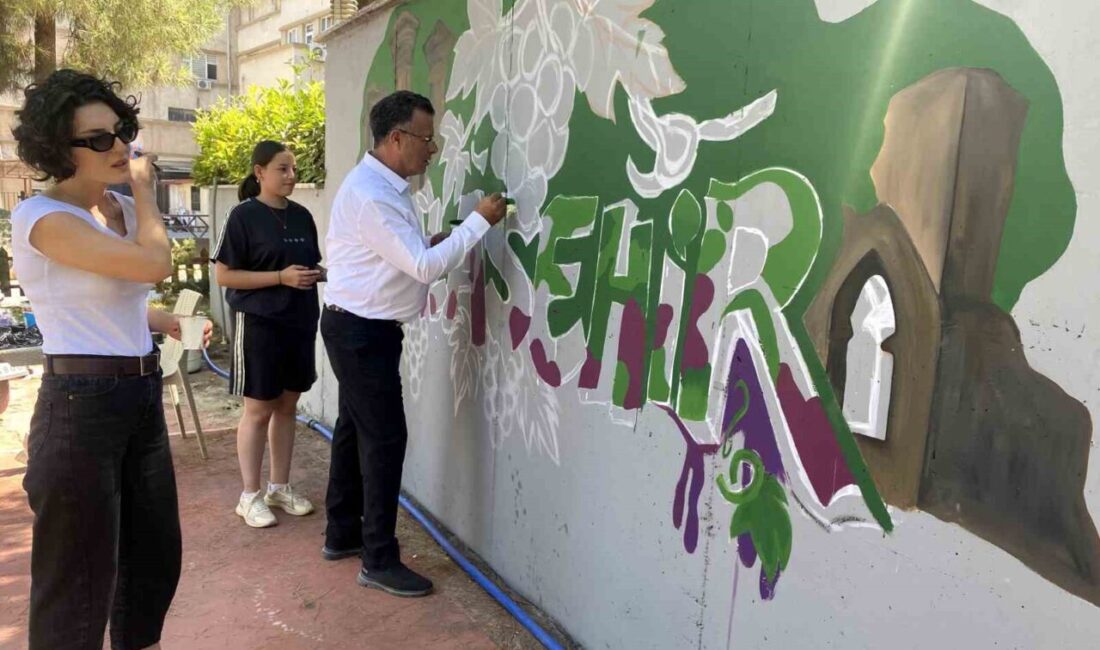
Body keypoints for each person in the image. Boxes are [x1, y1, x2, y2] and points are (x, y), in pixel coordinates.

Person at [11, 68, 209, 650]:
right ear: (57, 147)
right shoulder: (42, 219)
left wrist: (160, 319)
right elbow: (152, 266)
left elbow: (108, 295)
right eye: (98, 139)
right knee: (76, 583)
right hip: (80, 406)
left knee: (151, 563)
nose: (119, 146)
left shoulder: (115, 213)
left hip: (138, 395)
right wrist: (147, 190)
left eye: (120, 130)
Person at [322, 90, 508, 597]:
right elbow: (424, 268)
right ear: (396, 138)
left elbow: (402, 255)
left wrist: (431, 242)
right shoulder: (373, 195)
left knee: (352, 428)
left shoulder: (384, 187)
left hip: (359, 325)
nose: (433, 149)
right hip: (361, 331)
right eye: (427, 139)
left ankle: (342, 533)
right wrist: (479, 221)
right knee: (383, 439)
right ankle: (377, 558)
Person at [213, 140, 323, 528]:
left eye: (294, 169)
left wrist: (315, 274)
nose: (292, 175)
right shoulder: (243, 216)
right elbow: (224, 274)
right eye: (283, 169)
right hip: (259, 325)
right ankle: (250, 495)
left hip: (300, 322)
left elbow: (310, 263)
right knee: (258, 410)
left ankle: (279, 486)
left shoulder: (303, 216)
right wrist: (280, 277)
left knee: (287, 408)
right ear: (260, 172)